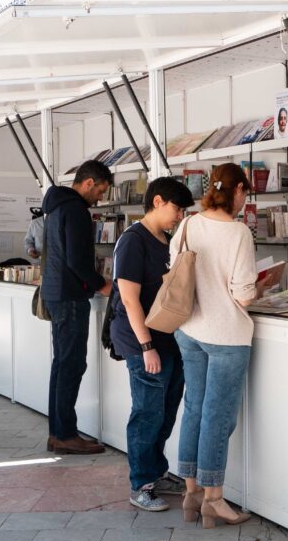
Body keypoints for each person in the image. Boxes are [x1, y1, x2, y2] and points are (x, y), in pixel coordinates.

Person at [173, 163, 278, 529]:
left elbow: (175, 272)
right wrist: (264, 285)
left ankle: (191, 492)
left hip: (188, 329)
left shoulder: (187, 225)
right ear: (237, 191)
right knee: (217, 418)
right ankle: (214, 500)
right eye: (245, 192)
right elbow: (244, 295)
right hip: (226, 336)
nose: (245, 198)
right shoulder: (238, 234)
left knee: (194, 410)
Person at [111, 177, 195, 512]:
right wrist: (146, 347)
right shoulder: (133, 241)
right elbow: (130, 300)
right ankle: (140, 483)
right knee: (147, 412)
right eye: (177, 208)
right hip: (142, 341)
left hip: (169, 338)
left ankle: (156, 471)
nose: (180, 215)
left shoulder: (168, 240)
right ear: (158, 201)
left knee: (166, 411)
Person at [41, 160, 114, 455]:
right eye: (100, 190)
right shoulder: (76, 210)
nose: (100, 197)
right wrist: (101, 285)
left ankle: (58, 432)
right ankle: (65, 434)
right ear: (87, 183)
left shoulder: (57, 207)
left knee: (62, 364)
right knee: (71, 364)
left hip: (58, 292)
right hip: (71, 296)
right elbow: (77, 260)